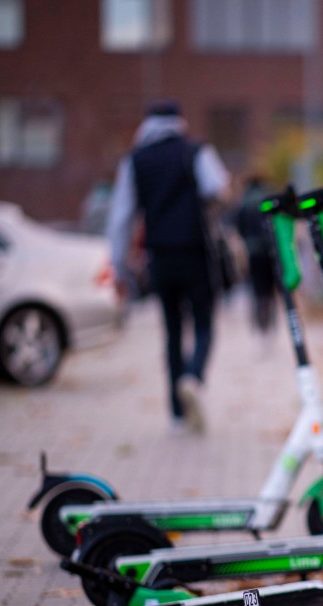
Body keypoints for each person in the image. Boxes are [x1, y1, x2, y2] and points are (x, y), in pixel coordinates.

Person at [106, 99, 230, 434]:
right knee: (204, 324)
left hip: (159, 256)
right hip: (196, 252)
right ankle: (193, 376)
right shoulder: (196, 151)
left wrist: (118, 267)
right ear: (180, 121)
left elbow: (120, 217)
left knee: (173, 331)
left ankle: (176, 415)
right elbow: (217, 188)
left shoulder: (135, 160)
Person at [235, 175, 278, 351]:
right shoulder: (268, 199)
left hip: (253, 254)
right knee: (271, 294)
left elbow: (238, 230)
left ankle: (260, 331)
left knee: (258, 294)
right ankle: (271, 328)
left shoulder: (243, 204)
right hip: (271, 252)